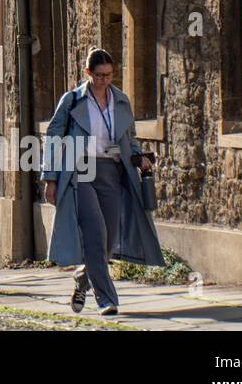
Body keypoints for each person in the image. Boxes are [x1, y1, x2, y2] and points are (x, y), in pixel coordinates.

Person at [40, 48, 164, 315]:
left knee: (107, 238)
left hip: (112, 171)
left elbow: (129, 137)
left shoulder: (121, 101)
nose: (103, 80)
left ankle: (82, 277)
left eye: (108, 75)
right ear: (88, 73)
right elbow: (53, 136)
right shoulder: (73, 100)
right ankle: (107, 299)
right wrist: (50, 178)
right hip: (81, 171)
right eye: (98, 75)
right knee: (95, 234)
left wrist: (138, 155)